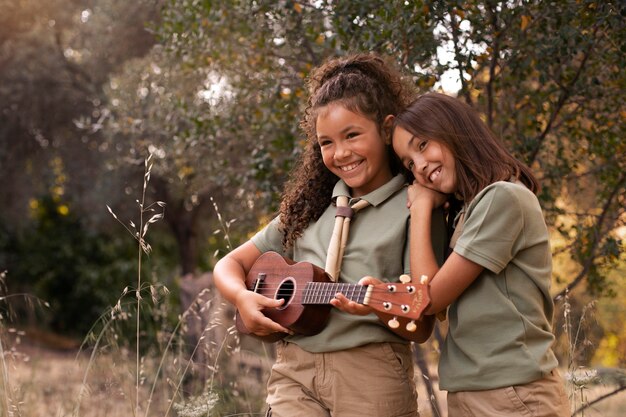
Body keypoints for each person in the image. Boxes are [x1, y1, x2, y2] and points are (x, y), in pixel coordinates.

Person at [213, 54, 446, 417]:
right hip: (295, 371)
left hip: (370, 376)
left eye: (352, 135)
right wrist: (242, 298)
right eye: (326, 143)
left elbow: (420, 324)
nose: (341, 153)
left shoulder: (415, 205)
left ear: (387, 129)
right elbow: (228, 264)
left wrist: (373, 304)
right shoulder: (309, 208)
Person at [391, 92, 570, 416]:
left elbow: (428, 298)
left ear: (452, 130)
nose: (419, 166)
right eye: (409, 163)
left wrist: (419, 207)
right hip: (470, 390)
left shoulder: (503, 197)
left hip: (514, 391)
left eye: (421, 145)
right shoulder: (466, 212)